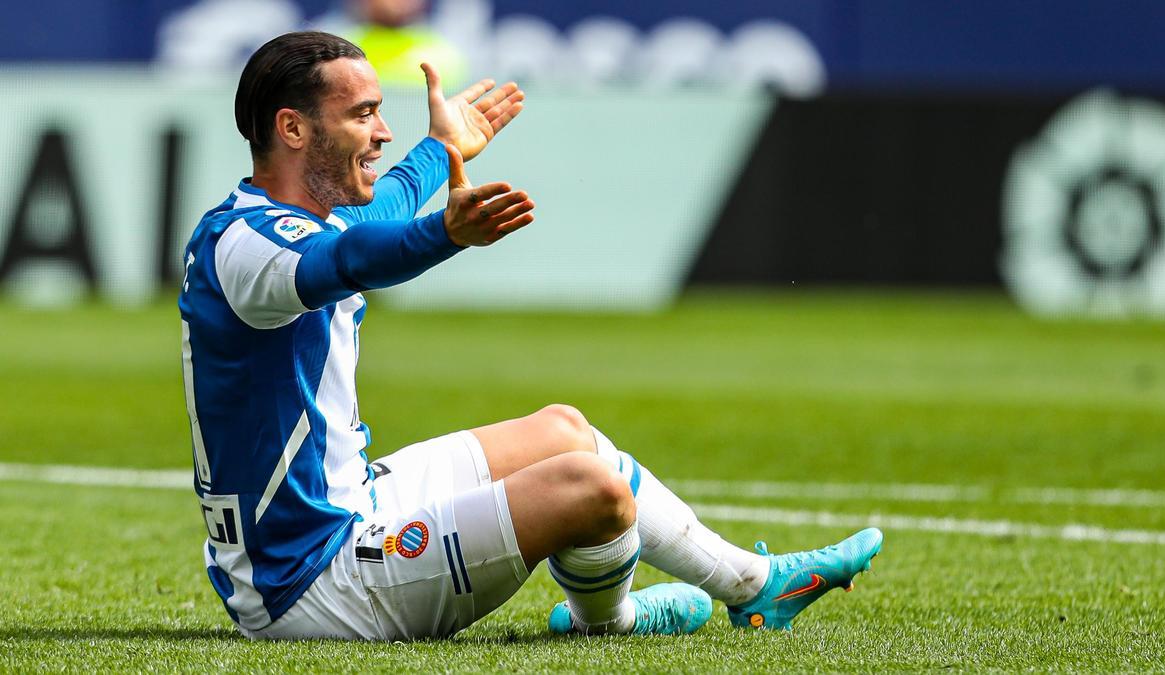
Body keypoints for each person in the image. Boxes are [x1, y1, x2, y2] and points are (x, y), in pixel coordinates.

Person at [178, 30, 882, 641]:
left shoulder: (278, 218)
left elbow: (366, 220)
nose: (381, 131)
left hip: (343, 506)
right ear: (294, 129)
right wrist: (445, 233)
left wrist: (440, 150)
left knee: (563, 430)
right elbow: (347, 259)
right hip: (307, 583)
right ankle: (641, 616)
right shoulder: (247, 245)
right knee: (594, 488)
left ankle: (735, 590)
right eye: (362, 114)